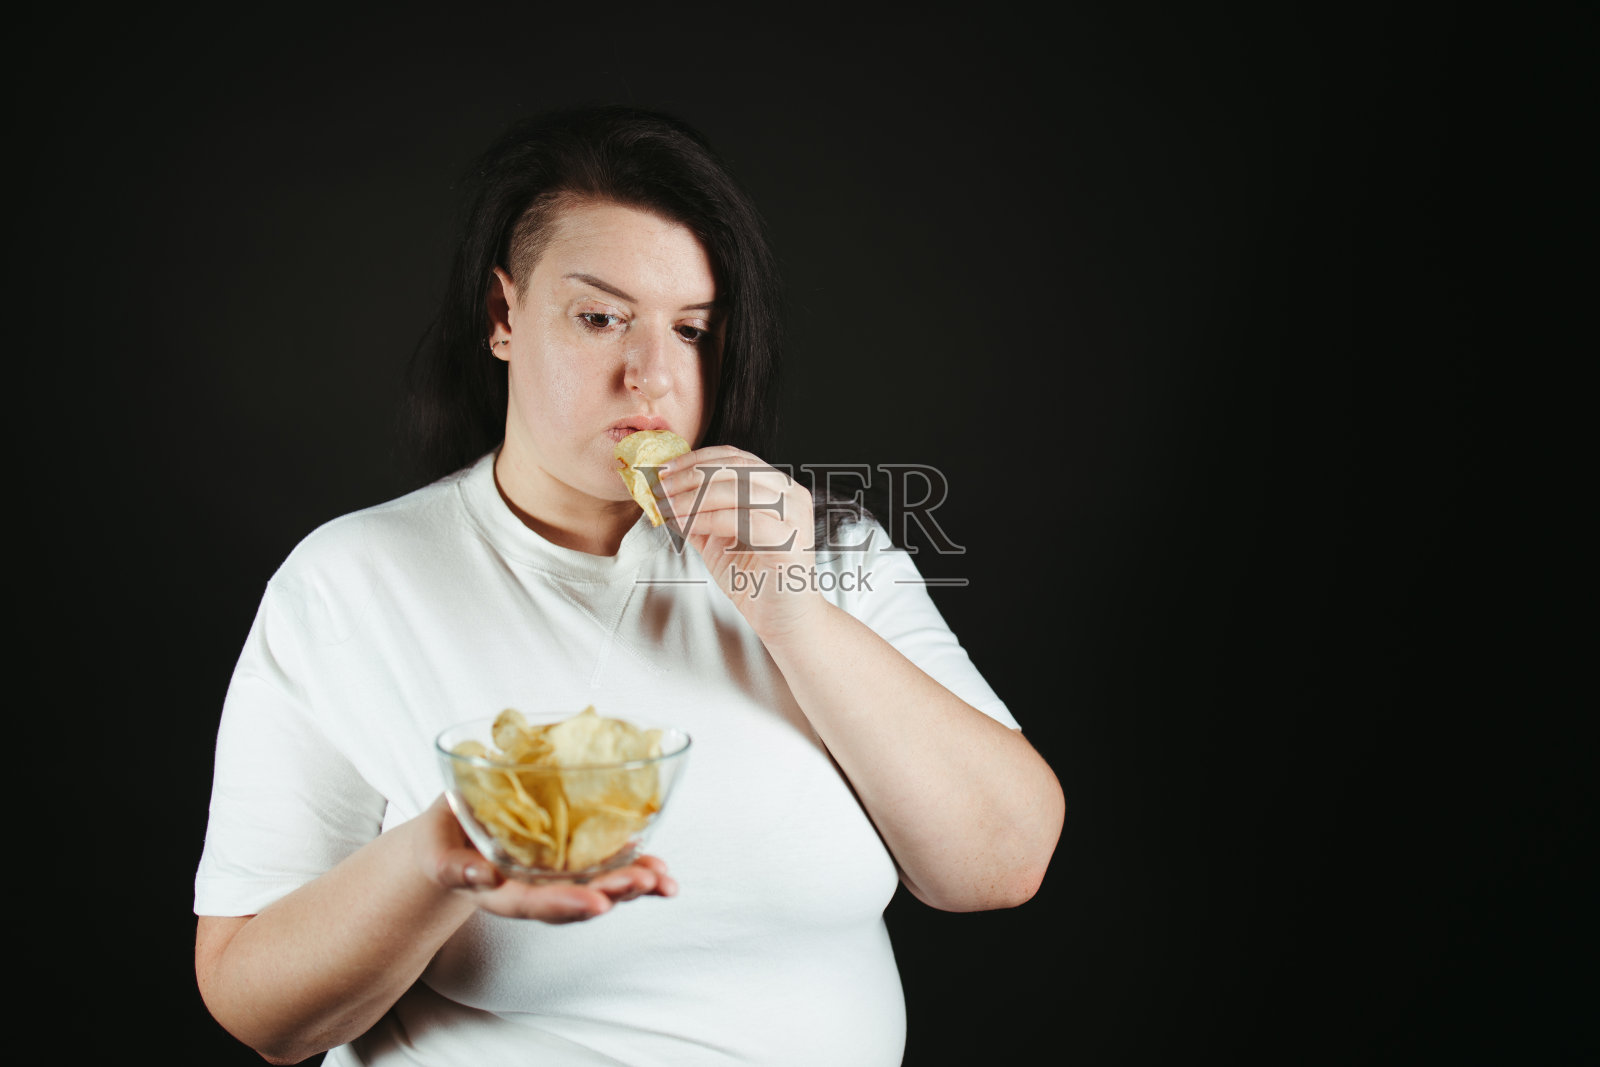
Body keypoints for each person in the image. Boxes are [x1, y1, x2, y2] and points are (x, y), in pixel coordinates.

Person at [194, 104, 1064, 1066]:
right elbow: (255, 1005)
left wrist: (792, 612)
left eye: (691, 329)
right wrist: (436, 862)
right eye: (601, 317)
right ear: (503, 317)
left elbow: (1001, 863)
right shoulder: (350, 582)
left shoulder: (824, 550)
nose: (651, 375)